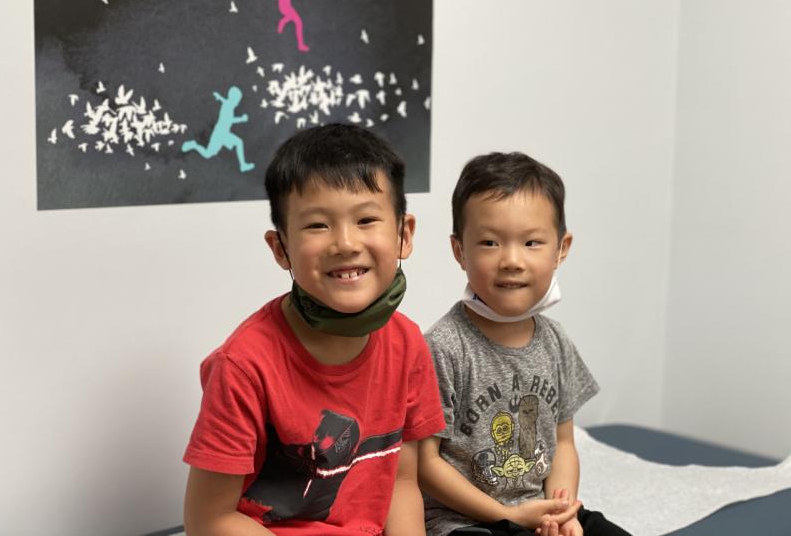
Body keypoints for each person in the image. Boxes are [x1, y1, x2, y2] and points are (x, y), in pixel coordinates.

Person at [183, 123, 445, 535]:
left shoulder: (407, 343)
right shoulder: (244, 364)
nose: (344, 243)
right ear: (280, 248)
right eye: (318, 225)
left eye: (365, 219)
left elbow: (401, 482)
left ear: (403, 235)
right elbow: (209, 519)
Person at [418, 153, 629, 536]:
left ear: (561, 248)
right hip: (465, 522)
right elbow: (425, 465)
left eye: (532, 242)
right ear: (459, 250)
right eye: (489, 242)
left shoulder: (555, 341)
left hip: (537, 513)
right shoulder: (443, 348)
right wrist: (511, 516)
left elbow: (564, 443)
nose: (512, 260)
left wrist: (560, 513)